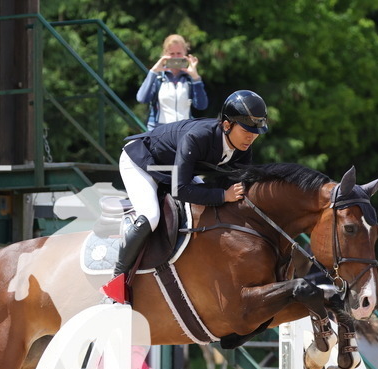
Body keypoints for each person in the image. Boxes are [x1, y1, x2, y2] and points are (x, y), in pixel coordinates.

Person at [114, 89, 268, 293]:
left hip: (173, 169)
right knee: (151, 216)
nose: (250, 139)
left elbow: (239, 186)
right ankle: (116, 279)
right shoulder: (198, 136)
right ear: (226, 125)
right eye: (246, 132)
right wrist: (223, 195)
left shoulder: (242, 149)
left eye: (255, 134)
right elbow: (181, 189)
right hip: (142, 162)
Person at [136, 34, 208, 131]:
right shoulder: (158, 77)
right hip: (159, 131)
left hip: (183, 130)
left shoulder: (189, 79)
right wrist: (153, 71)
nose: (175, 57)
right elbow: (141, 98)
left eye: (179, 53)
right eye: (172, 54)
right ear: (165, 54)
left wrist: (195, 78)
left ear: (185, 53)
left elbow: (201, 105)